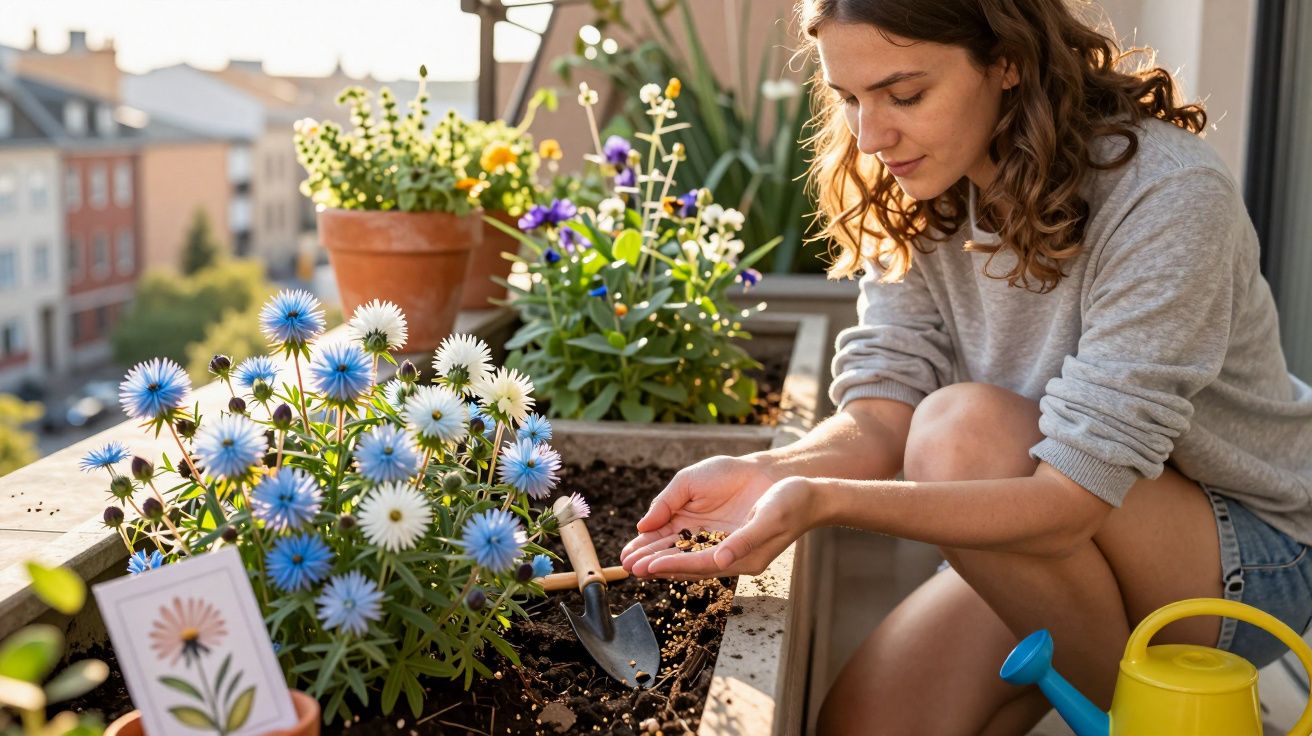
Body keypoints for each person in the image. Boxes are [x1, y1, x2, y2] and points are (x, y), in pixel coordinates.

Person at [619, 1, 1312, 733]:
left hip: (1246, 550)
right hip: (1054, 530)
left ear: (1007, 60)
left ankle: (1153, 719)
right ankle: (1130, 696)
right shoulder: (917, 182)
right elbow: (882, 413)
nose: (871, 135)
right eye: (848, 98)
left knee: (958, 432)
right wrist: (772, 472)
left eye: (905, 95)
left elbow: (1070, 499)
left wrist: (823, 501)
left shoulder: (1165, 194)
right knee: (861, 725)